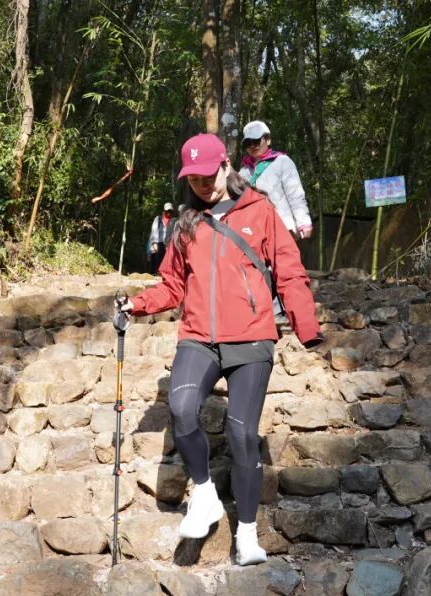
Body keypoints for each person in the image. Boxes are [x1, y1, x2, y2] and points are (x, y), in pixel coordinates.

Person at [116, 133, 322, 566]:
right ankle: (206, 495)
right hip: (199, 336)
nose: (202, 185)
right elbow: (172, 285)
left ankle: (246, 533)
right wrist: (137, 304)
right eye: (193, 179)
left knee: (242, 433)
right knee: (181, 408)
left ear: (226, 164)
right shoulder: (186, 224)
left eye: (208, 176)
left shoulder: (261, 210)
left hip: (251, 337)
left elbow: (289, 270)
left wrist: (306, 327)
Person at [238, 120, 313, 241]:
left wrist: (304, 223)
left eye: (256, 141)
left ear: (268, 140)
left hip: (283, 227)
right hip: (255, 232)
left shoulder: (282, 161)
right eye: (248, 143)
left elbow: (295, 194)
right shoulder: (243, 171)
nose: (252, 146)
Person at [147, 202, 176, 273]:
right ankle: (154, 273)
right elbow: (154, 230)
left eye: (170, 211)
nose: (169, 213)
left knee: (166, 262)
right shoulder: (158, 219)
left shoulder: (173, 221)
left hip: (167, 244)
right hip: (157, 243)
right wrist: (154, 243)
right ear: (164, 211)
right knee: (155, 261)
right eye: (167, 211)